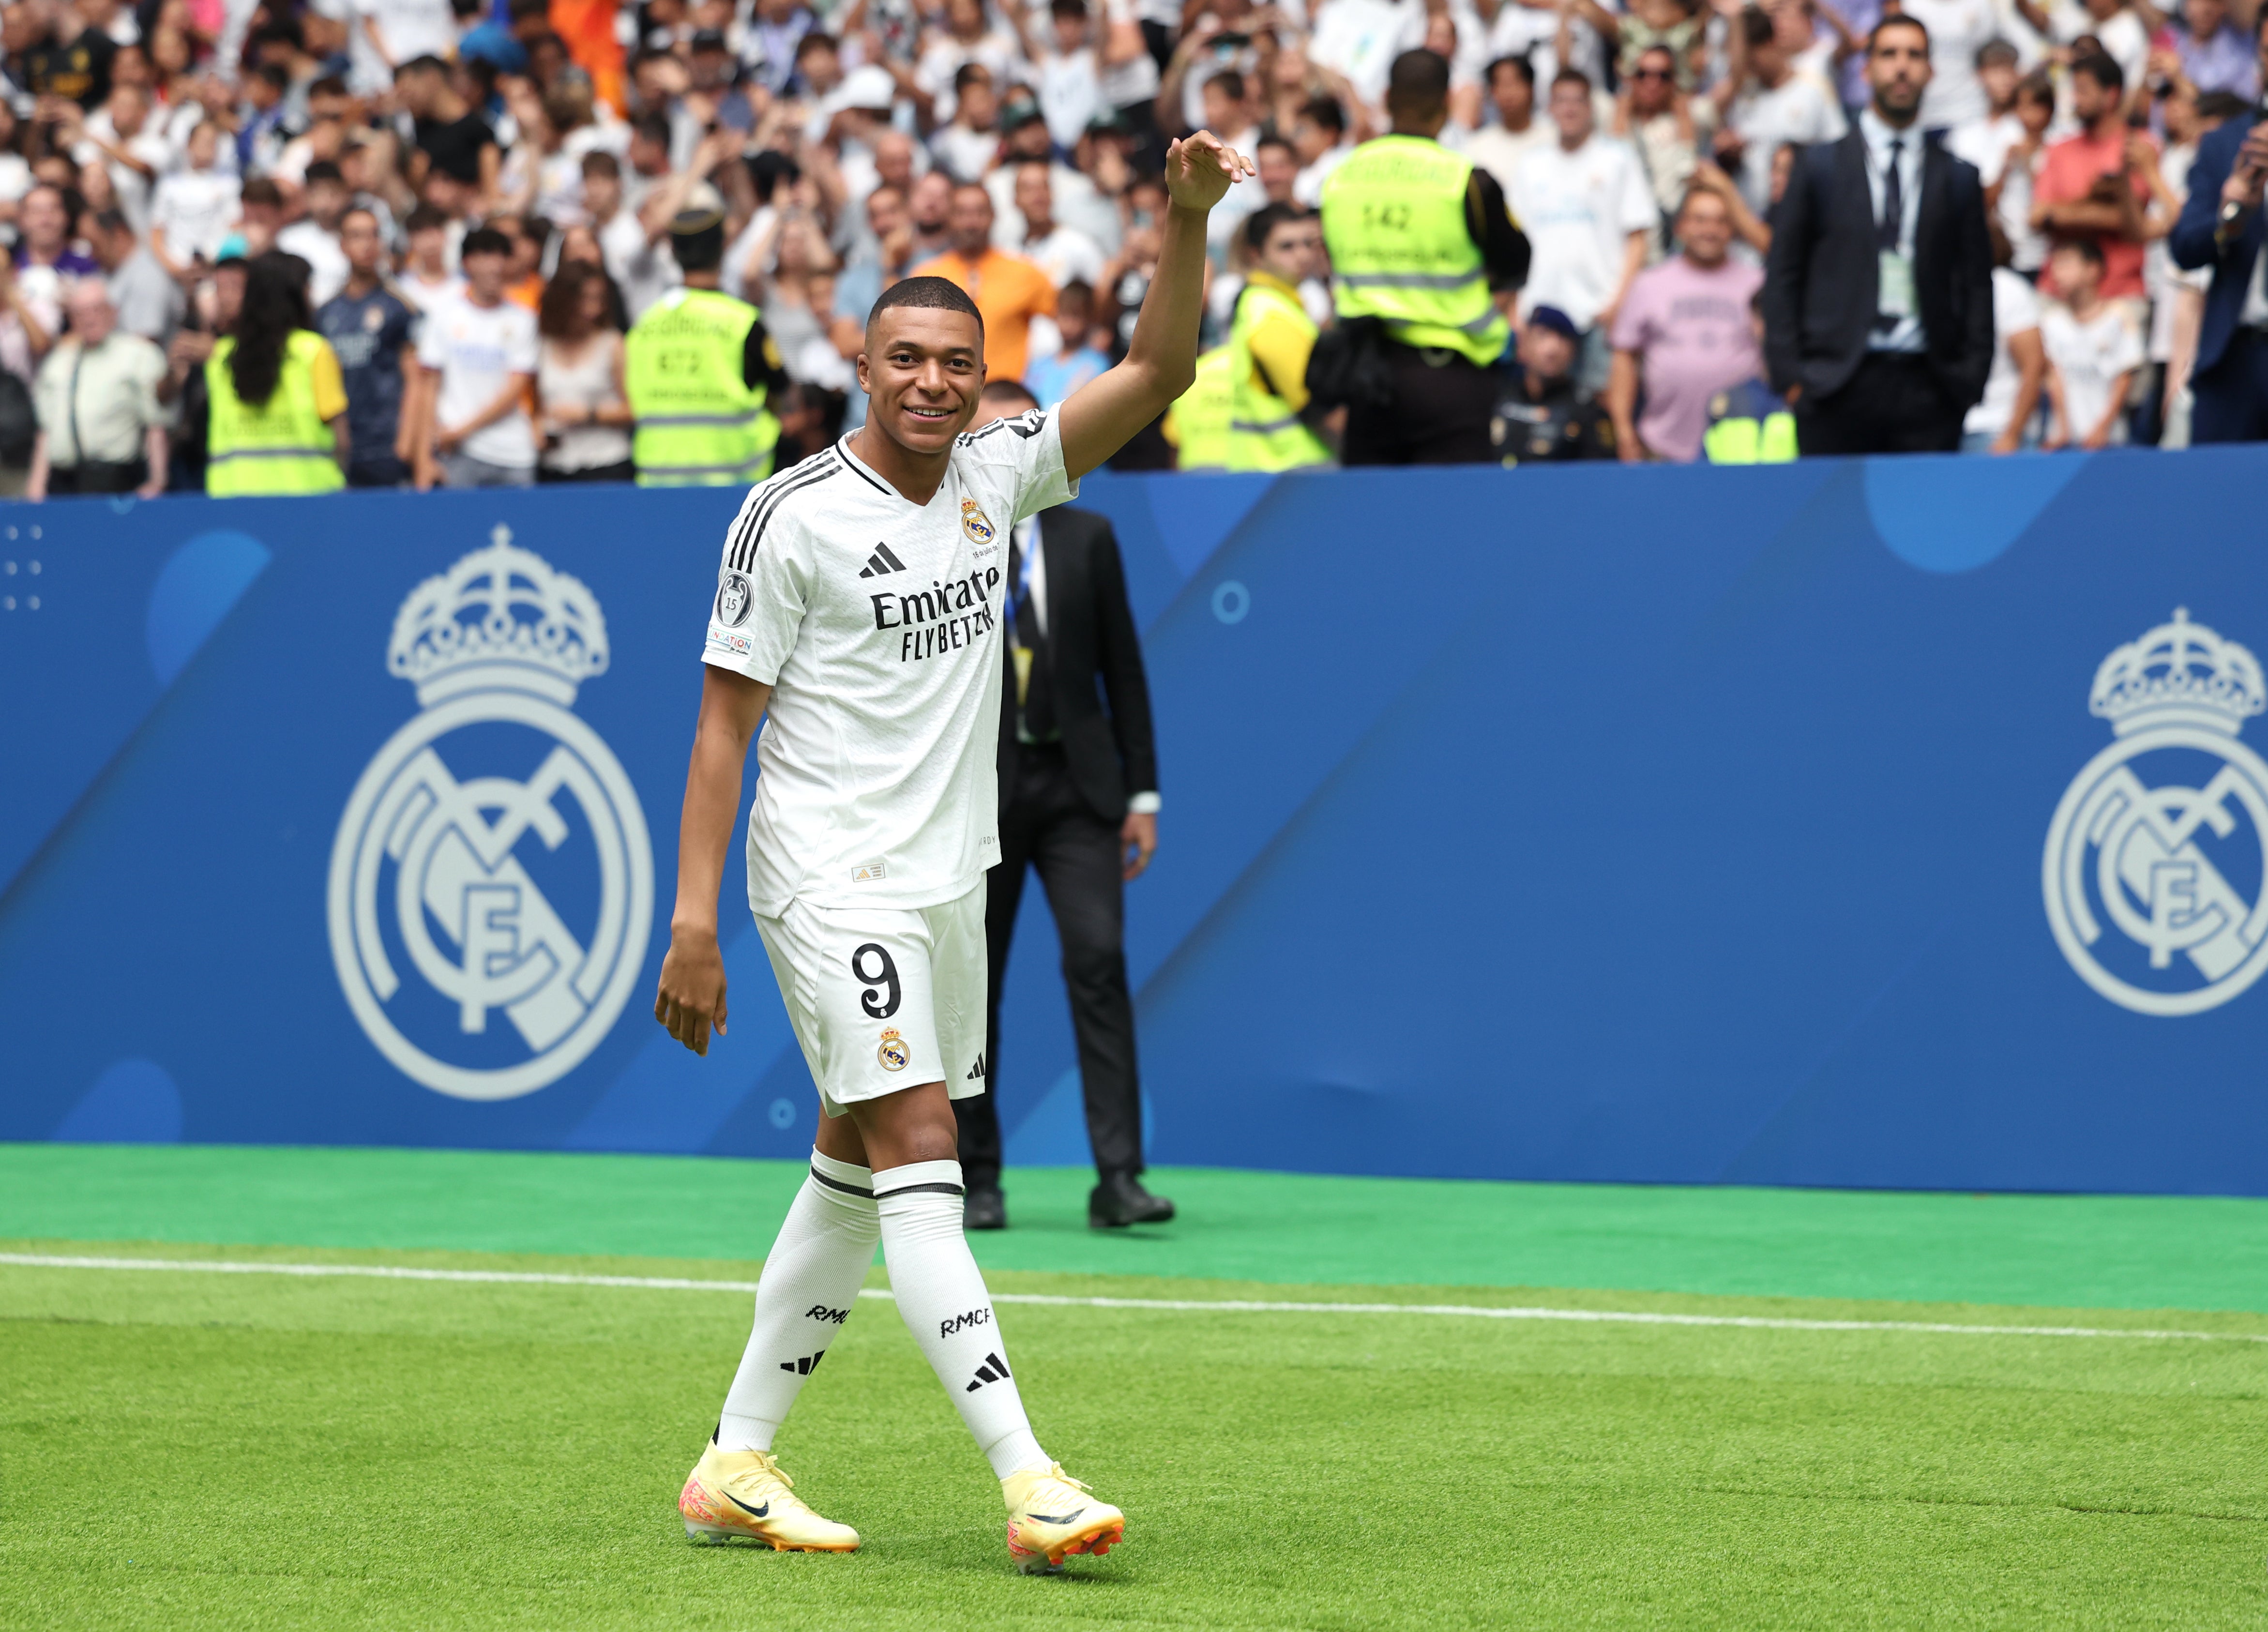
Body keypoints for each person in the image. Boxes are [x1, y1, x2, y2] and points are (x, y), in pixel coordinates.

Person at [650, 129, 1252, 1570]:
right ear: (864, 364)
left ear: (982, 373)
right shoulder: (785, 516)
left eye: (954, 359)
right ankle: (1029, 1473)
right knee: (923, 1137)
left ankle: (734, 1456)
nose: (931, 379)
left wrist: (1181, 219)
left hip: (942, 874)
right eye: (904, 356)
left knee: (854, 1166)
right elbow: (722, 726)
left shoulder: (999, 478)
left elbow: (1159, 374)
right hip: (822, 873)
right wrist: (690, 922)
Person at [955, 375, 1167, 1233]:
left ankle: (1118, 1178)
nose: (1005, 451)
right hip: (976, 800)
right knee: (970, 990)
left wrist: (1142, 792)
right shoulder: (940, 540)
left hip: (1082, 793)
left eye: (1021, 433)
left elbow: (1125, 671)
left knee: (1100, 962)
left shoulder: (1089, 537)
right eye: (987, 436)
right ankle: (976, 1179)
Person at [1762, 15, 1994, 453]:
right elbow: (1783, 273)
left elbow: (1977, 285)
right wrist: (1791, 377)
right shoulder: (1819, 167)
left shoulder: (1958, 177)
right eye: (1888, 54)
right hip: (1835, 383)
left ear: (1931, 71)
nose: (1901, 67)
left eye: (1914, 55)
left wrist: (1969, 379)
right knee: (1832, 523)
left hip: (1931, 385)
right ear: (1865, 70)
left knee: (1924, 521)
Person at [1321, 49, 1530, 465]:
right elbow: (1516, 263)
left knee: (1375, 522)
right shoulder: (1466, 180)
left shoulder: (1340, 178)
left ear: (1387, 98)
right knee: (1456, 521)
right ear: (1449, 102)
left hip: (1368, 377)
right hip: (1450, 380)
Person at [1511, 67, 1655, 387]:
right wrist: (1516, 305)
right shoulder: (1531, 164)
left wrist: (1619, 302)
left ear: (1591, 108)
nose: (1570, 109)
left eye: (1578, 101)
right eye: (1561, 101)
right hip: (1540, 312)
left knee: (1596, 419)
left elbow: (1638, 237)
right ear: (1549, 108)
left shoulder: (1617, 158)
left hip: (1598, 313)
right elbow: (1515, 243)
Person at [624, 206, 787, 485]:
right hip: (733, 487)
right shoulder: (743, 322)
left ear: (673, 253)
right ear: (723, 248)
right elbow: (780, 392)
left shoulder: (644, 325)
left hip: (657, 483)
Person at [1608, 183, 1764, 461]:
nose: (1710, 230)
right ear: (1680, 226)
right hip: (1663, 449)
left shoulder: (1756, 283)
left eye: (1721, 221)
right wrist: (1623, 429)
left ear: (1733, 229)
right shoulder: (1649, 284)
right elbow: (1624, 357)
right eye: (1700, 220)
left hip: (1741, 448)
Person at [2169, 21, 2268, 442]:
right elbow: (2185, 246)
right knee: (2217, 501)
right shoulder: (2226, 143)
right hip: (2234, 359)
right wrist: (2231, 214)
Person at [201, 254, 350, 497]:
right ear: (294, 295)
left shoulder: (220, 357)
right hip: (309, 501)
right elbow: (341, 440)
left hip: (233, 503)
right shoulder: (312, 352)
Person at [411, 226, 541, 488]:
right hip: (459, 454)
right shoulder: (444, 317)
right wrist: (423, 458)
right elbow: (428, 389)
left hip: (512, 453)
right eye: (486, 257)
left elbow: (515, 390)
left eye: (501, 257)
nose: (495, 266)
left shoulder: (524, 320)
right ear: (467, 264)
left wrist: (462, 431)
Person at [26, 281, 167, 499]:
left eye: (97, 310)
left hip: (115, 480)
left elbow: (155, 425)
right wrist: (36, 487)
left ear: (113, 312)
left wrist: (157, 480)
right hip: (63, 482)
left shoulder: (138, 355)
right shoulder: (58, 362)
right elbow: (46, 431)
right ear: (72, 320)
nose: (90, 319)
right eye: (81, 313)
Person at [2030, 55, 2150, 307]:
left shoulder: (2138, 148)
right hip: (2057, 292)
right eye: (2074, 90)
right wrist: (2098, 203)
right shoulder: (2058, 150)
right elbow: (2037, 216)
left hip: (2120, 294)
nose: (2075, 99)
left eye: (2083, 90)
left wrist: (2061, 213)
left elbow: (2131, 222)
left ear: (2111, 95)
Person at [912, 184, 1058, 385]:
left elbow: (1068, 324)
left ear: (994, 216)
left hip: (1008, 398)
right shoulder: (926, 275)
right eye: (961, 213)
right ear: (949, 217)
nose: (971, 223)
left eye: (980, 213)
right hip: (943, 394)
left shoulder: (1025, 272)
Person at [1225, 201, 1331, 470]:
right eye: (1287, 246)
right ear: (1256, 255)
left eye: (1308, 244)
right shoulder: (1270, 313)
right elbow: (1318, 407)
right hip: (1290, 473)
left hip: (1277, 473)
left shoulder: (1269, 304)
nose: (1303, 255)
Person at [316, 206, 417, 487]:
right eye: (357, 236)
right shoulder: (326, 313)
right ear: (342, 245)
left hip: (387, 444)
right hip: (342, 446)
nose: (367, 245)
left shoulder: (399, 308)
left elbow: (415, 380)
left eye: (374, 236)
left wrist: (405, 444)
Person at [536, 259, 634, 482]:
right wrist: (536, 427)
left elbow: (632, 410)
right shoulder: (542, 345)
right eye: (585, 299)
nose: (593, 309)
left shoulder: (612, 344)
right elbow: (535, 406)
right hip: (555, 465)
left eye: (599, 299)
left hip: (606, 463)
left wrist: (588, 414)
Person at [2040, 237, 2143, 449]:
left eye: (2066, 263)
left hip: (2110, 441)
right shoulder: (2050, 322)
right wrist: (2062, 427)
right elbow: (2053, 377)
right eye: (2055, 265)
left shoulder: (2120, 317)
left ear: (2093, 270)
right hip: (2064, 442)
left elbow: (2125, 377)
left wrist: (2103, 428)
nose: (2057, 274)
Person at [1491, 304, 1618, 463]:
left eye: (1563, 339)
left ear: (1574, 350)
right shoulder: (1497, 395)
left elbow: (1600, 475)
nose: (1553, 349)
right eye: (1543, 335)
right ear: (1524, 343)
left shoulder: (1586, 410)